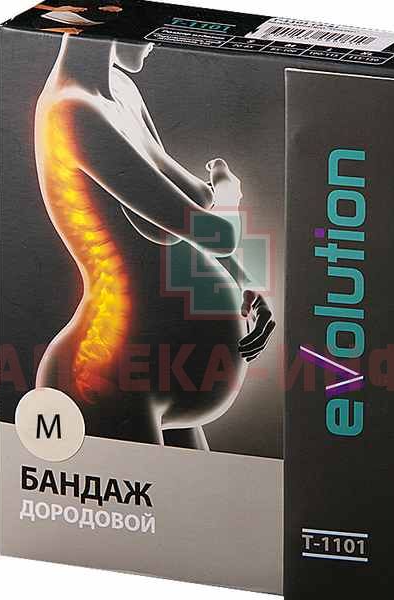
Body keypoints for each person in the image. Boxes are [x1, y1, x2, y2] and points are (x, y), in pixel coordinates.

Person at [34, 30, 276, 450]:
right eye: (145, 23)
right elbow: (211, 232)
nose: (154, 41)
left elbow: (188, 205)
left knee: (199, 494)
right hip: (105, 371)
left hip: (158, 371)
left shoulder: (122, 90)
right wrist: (230, 190)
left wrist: (246, 283)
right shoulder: (72, 111)